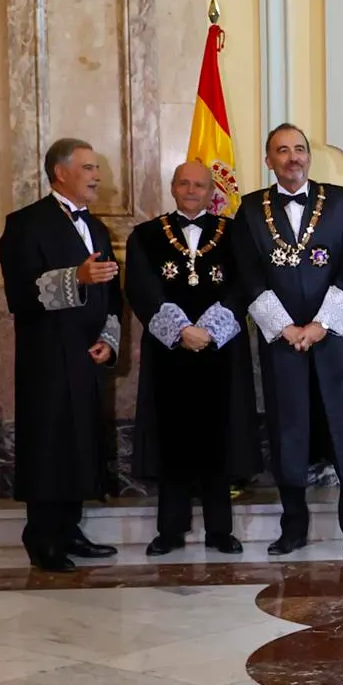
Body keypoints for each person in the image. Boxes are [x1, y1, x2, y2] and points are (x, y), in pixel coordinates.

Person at [234, 124, 343, 556]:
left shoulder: (340, 202)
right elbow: (248, 274)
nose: (292, 157)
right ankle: (292, 527)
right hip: (282, 341)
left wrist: (320, 326)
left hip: (330, 338)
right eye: (282, 150)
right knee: (287, 428)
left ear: (308, 156)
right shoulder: (250, 209)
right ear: (268, 159)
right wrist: (286, 328)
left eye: (299, 149)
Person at [0, 138, 123, 572]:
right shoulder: (25, 224)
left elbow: (111, 295)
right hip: (47, 358)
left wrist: (109, 339)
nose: (97, 176)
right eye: (88, 168)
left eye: (96, 168)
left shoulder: (98, 228)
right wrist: (76, 276)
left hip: (86, 357)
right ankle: (42, 538)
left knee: (79, 443)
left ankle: (70, 529)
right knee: (48, 443)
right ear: (60, 173)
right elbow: (21, 292)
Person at [125, 161, 261, 556]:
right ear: (172, 187)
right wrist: (181, 330)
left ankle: (220, 530)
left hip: (220, 352)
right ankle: (169, 530)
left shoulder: (236, 234)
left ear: (210, 191)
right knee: (173, 440)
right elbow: (141, 287)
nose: (191, 189)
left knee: (219, 440)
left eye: (199, 184)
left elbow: (244, 285)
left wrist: (211, 329)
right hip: (170, 354)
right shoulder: (146, 235)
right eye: (184, 183)